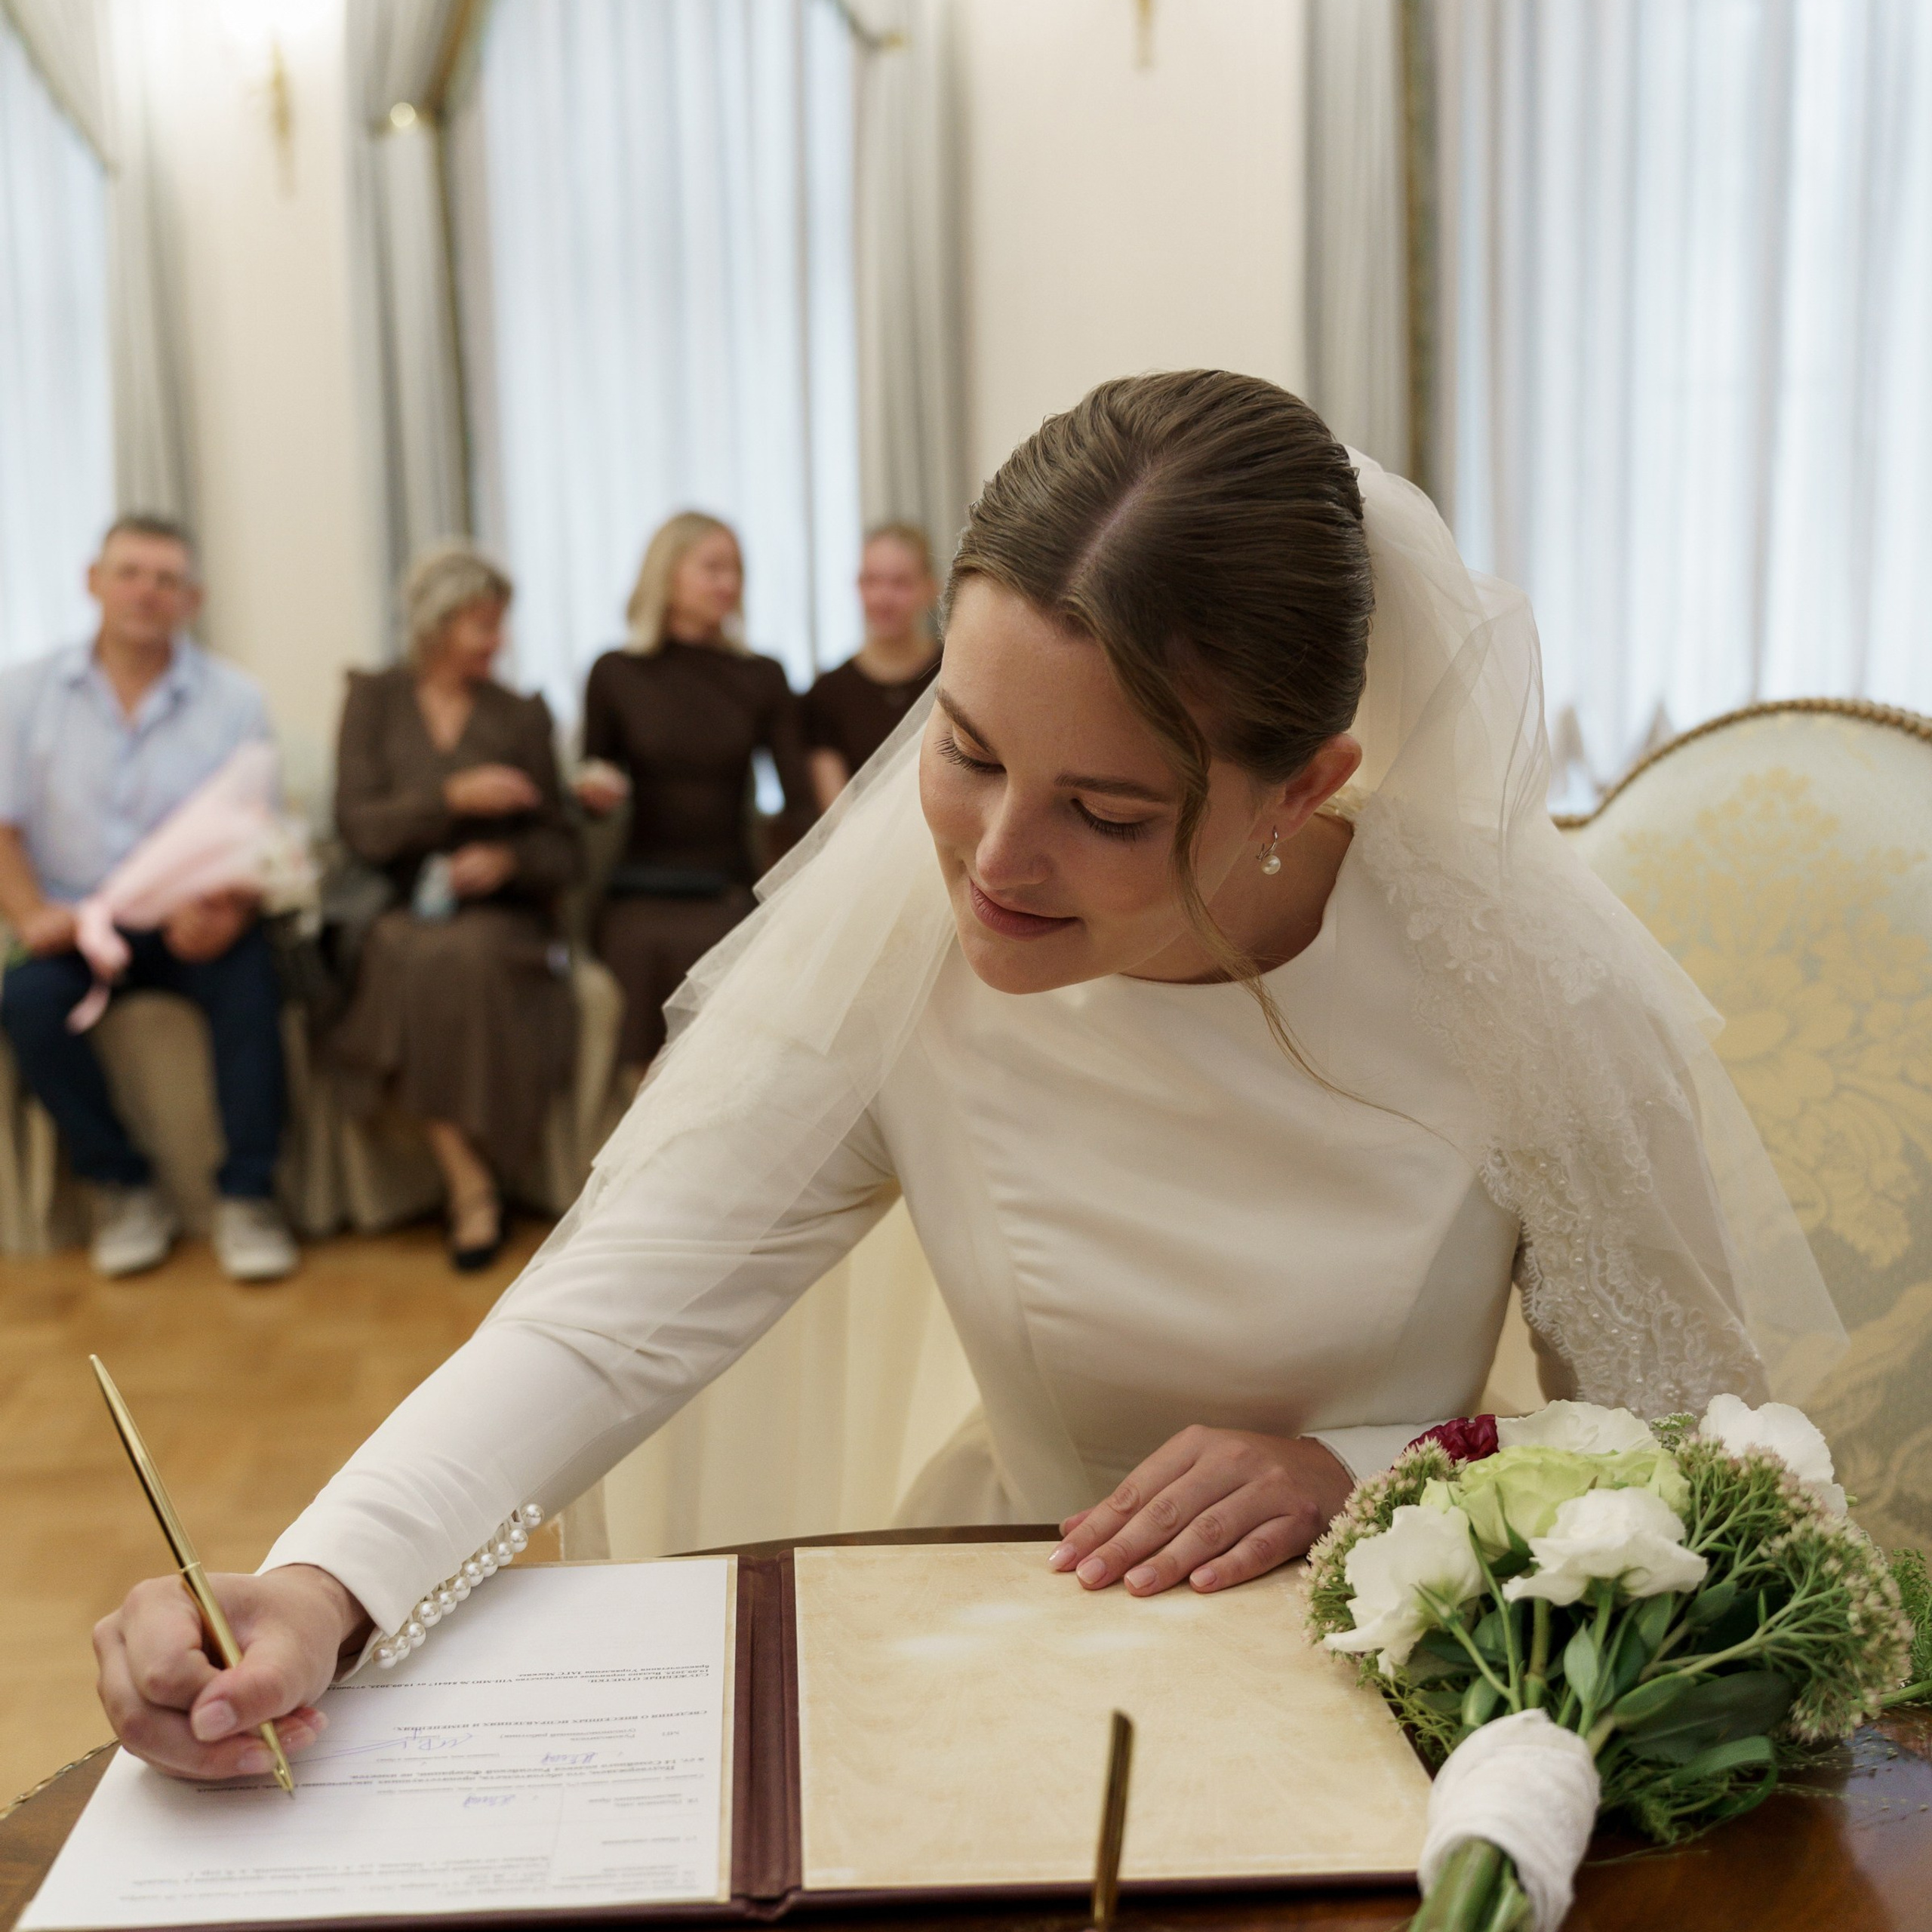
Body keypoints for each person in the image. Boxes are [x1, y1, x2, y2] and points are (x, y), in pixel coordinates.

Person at [94, 374, 1842, 1780]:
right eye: (965, 745)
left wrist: (1376, 1468)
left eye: (1103, 810)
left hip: (1402, 1686)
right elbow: (608, 1313)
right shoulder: (904, 952)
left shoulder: (1513, 993)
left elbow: (1701, 1455)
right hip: (999, 1643)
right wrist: (321, 1578)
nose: (992, 859)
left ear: (1304, 786)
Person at [0, 515, 299, 1283]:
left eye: (166, 579)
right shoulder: (24, 692)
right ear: (92, 581)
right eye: (131, 572)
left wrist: (228, 907)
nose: (147, 592)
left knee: (252, 987)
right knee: (27, 1002)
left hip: (193, 920)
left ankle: (247, 1197)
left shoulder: (235, 698)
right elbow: (4, 826)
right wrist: (31, 913)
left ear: (191, 599)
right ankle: (124, 1188)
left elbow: (254, 828)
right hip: (76, 921)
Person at [327, 545, 579, 1271]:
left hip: (499, 915)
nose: (496, 642)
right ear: (435, 625)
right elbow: (360, 828)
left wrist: (506, 860)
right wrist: (450, 799)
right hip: (392, 904)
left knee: (460, 954)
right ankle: (473, 1183)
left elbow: (563, 851)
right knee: (410, 950)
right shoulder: (373, 699)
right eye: (480, 625)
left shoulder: (522, 715)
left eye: (500, 625)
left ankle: (473, 1188)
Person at [574, 512, 814, 1079]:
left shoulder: (762, 676)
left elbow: (800, 802)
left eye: (735, 569)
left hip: (727, 887)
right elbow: (589, 790)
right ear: (668, 574)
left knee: (732, 963)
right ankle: (644, 1148)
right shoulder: (615, 674)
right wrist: (592, 795)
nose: (727, 583)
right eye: (711, 567)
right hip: (639, 888)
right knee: (640, 952)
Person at [803, 524, 942, 810]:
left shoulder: (957, 673)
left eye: (900, 583)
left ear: (931, 588)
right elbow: (836, 818)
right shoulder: (827, 694)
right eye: (872, 581)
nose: (883, 598)